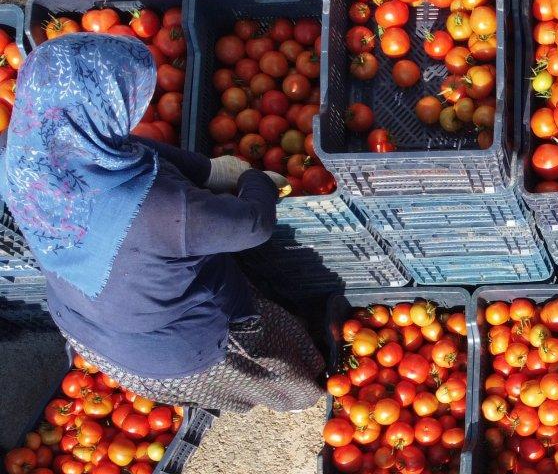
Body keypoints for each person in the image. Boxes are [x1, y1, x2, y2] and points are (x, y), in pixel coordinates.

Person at [0, 32, 324, 413]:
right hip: (176, 346)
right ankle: (305, 395)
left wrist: (206, 169)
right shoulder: (157, 208)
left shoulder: (18, 149)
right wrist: (256, 180)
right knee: (269, 360)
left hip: (83, 323)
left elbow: (131, 146)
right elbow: (253, 226)